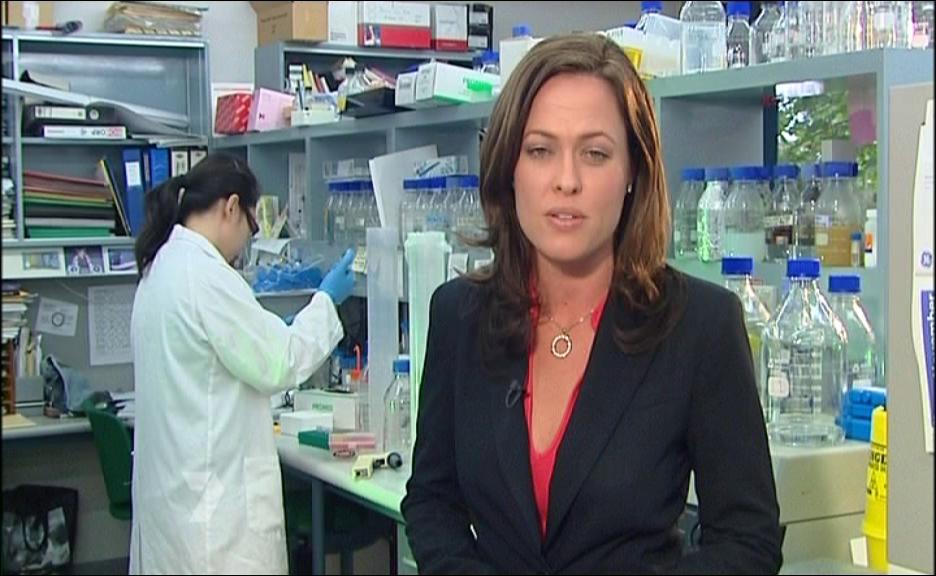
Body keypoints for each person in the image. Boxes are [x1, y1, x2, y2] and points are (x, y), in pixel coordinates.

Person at [401, 34, 783, 574]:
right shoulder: (459, 315)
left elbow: (749, 541)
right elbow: (431, 501)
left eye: (595, 154)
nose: (567, 181)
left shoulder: (700, 326)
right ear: (510, 167)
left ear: (632, 173)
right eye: (540, 151)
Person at [128, 153, 356, 574]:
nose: (247, 243)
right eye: (252, 228)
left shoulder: (162, 268)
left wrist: (273, 331)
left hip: (178, 508)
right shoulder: (206, 276)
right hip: (213, 523)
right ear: (231, 207)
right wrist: (325, 300)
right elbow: (282, 362)